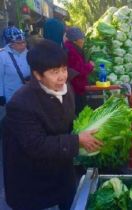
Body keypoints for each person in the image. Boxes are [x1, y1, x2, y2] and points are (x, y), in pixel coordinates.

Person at [3, 39, 102, 210]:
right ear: (37, 75)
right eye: (55, 71)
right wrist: (77, 140)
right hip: (34, 186)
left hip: (62, 176)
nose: (62, 76)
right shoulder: (21, 103)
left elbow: (70, 121)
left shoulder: (66, 87)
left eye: (63, 69)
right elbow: (36, 145)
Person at [64, 27, 94, 114]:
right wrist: (90, 66)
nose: (83, 41)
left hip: (76, 87)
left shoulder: (72, 48)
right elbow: (79, 70)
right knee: (79, 111)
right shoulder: (71, 51)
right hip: (76, 88)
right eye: (81, 39)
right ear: (75, 40)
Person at [0, 26, 30, 108]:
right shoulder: (2, 56)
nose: (23, 45)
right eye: (19, 43)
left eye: (24, 42)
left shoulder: (29, 53)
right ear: (11, 44)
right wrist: (1, 95)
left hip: (28, 93)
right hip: (11, 94)